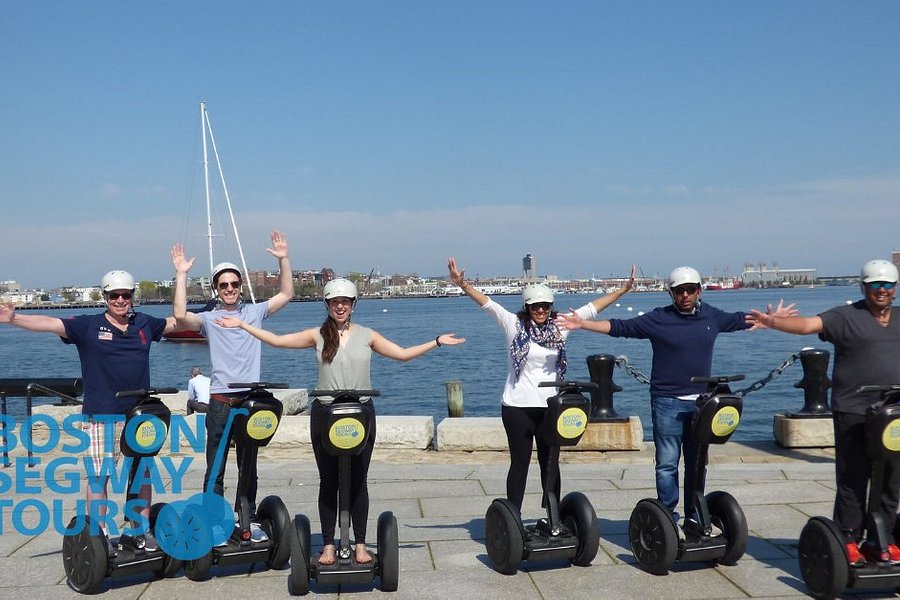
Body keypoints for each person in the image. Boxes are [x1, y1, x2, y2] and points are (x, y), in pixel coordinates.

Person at [217, 277, 464, 565]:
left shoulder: (367, 335)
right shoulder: (317, 335)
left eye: (345, 302)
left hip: (360, 413)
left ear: (353, 305)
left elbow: (403, 355)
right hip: (325, 413)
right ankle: (329, 544)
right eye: (335, 302)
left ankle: (360, 543)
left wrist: (436, 342)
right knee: (328, 481)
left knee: (359, 481)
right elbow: (278, 341)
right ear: (328, 305)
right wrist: (244, 325)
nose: (340, 306)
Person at [557, 266, 796, 537]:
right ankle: (668, 517)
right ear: (671, 292)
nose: (685, 295)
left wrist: (772, 320)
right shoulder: (659, 319)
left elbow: (742, 320)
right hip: (666, 402)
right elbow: (620, 327)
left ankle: (695, 516)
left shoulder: (711, 317)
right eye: (679, 290)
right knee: (668, 464)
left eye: (690, 290)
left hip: (702, 405)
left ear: (699, 290)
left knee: (697, 462)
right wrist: (582, 323)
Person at [0, 270, 178, 552]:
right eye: (114, 295)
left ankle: (141, 531)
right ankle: (101, 536)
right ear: (105, 297)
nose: (120, 300)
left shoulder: (144, 324)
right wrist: (14, 319)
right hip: (102, 415)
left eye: (126, 295)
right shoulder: (89, 326)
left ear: (133, 297)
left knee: (142, 474)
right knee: (99, 477)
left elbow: (177, 321)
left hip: (139, 415)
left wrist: (185, 280)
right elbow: (49, 322)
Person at [447, 257, 634, 513]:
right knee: (520, 464)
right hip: (517, 407)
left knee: (550, 463)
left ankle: (553, 516)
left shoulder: (560, 325)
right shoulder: (514, 325)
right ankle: (513, 517)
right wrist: (463, 285)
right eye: (536, 307)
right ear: (527, 306)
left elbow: (592, 308)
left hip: (551, 407)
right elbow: (488, 304)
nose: (541, 311)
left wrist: (622, 290)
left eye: (545, 306)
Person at [747, 259, 900, 566]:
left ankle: (883, 539)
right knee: (853, 477)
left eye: (887, 285)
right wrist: (774, 322)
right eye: (875, 285)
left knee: (892, 479)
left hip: (894, 413)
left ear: (894, 289)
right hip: (854, 411)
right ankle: (847, 538)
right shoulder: (846, 316)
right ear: (864, 287)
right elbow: (807, 325)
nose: (881, 290)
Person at [171, 229, 293, 543]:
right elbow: (181, 315)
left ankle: (246, 521)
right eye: (223, 285)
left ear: (240, 287)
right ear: (216, 288)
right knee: (216, 467)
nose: (229, 289)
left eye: (234, 284)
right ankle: (214, 522)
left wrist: (283, 260)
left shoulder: (254, 312)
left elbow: (286, 294)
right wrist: (181, 275)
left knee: (248, 467)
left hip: (250, 402)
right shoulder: (209, 319)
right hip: (221, 402)